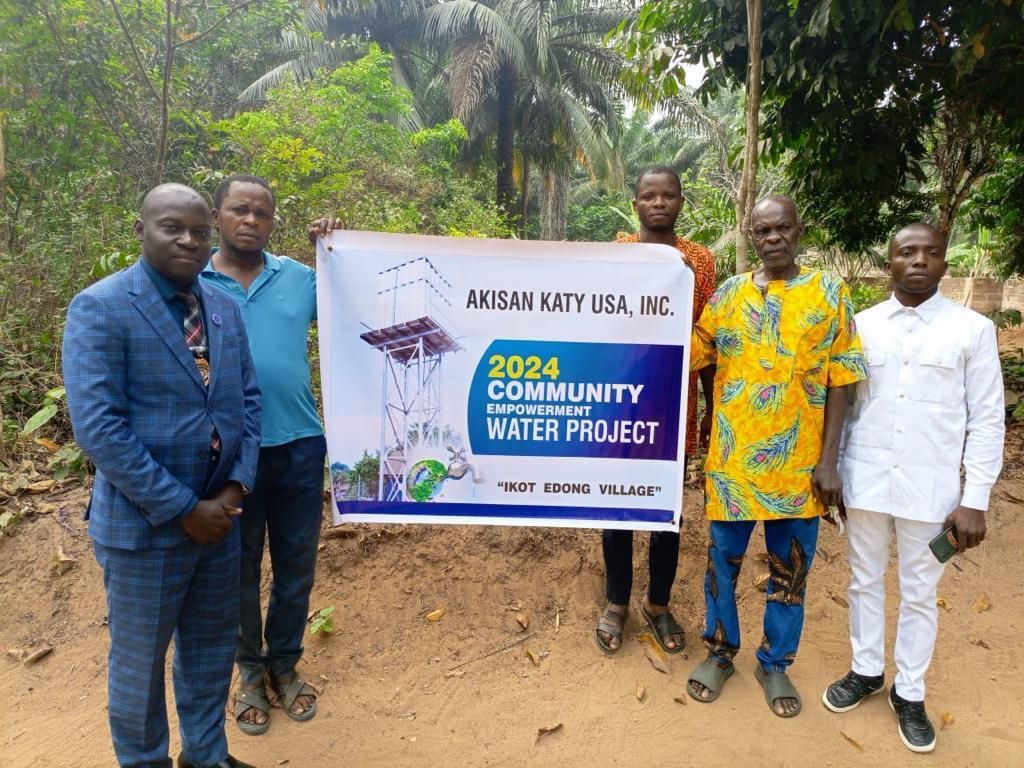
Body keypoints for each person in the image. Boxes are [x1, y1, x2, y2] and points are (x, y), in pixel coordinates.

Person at [63, 184, 261, 768]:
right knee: (140, 663)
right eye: (172, 227)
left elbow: (248, 402)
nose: (189, 241)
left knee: (209, 651)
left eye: (200, 232)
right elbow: (99, 429)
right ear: (142, 230)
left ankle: (205, 755)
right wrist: (182, 508)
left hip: (219, 523)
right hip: (146, 529)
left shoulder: (222, 308)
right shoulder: (102, 306)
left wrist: (232, 489)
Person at [823, 223, 1004, 753]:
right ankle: (865, 669)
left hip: (933, 488)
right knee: (863, 579)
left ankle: (910, 691)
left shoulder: (972, 330)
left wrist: (975, 499)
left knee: (921, 592)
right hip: (866, 480)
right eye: (907, 252)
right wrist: (832, 468)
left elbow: (988, 419)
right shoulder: (860, 326)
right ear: (889, 262)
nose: (919, 260)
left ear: (946, 264)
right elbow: (845, 405)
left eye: (931, 253)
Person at [685, 195, 867, 717]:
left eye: (781, 228)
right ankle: (720, 652)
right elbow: (689, 350)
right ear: (750, 234)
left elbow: (842, 379)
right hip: (733, 462)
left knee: (791, 569)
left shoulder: (829, 292)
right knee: (722, 561)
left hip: (800, 464)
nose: (772, 239)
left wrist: (829, 461)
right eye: (762, 231)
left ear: (798, 230)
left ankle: (774, 662)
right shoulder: (727, 295)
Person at [200, 174, 330, 735]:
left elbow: (360, 310)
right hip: (229, 455)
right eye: (239, 210)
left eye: (262, 213)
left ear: (274, 222)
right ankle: (248, 673)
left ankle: (285, 665)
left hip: (300, 444)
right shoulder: (192, 281)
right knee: (239, 569)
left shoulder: (301, 279)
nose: (251, 221)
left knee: (297, 566)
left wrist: (337, 253)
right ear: (218, 215)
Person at [594, 166, 717, 655]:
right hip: (619, 400)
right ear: (635, 204)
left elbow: (707, 337)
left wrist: (710, 405)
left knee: (667, 511)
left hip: (674, 404)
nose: (658, 203)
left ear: (681, 203)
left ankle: (659, 604)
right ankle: (616, 602)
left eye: (668, 195)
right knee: (616, 503)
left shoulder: (699, 262)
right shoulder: (616, 254)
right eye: (649, 195)